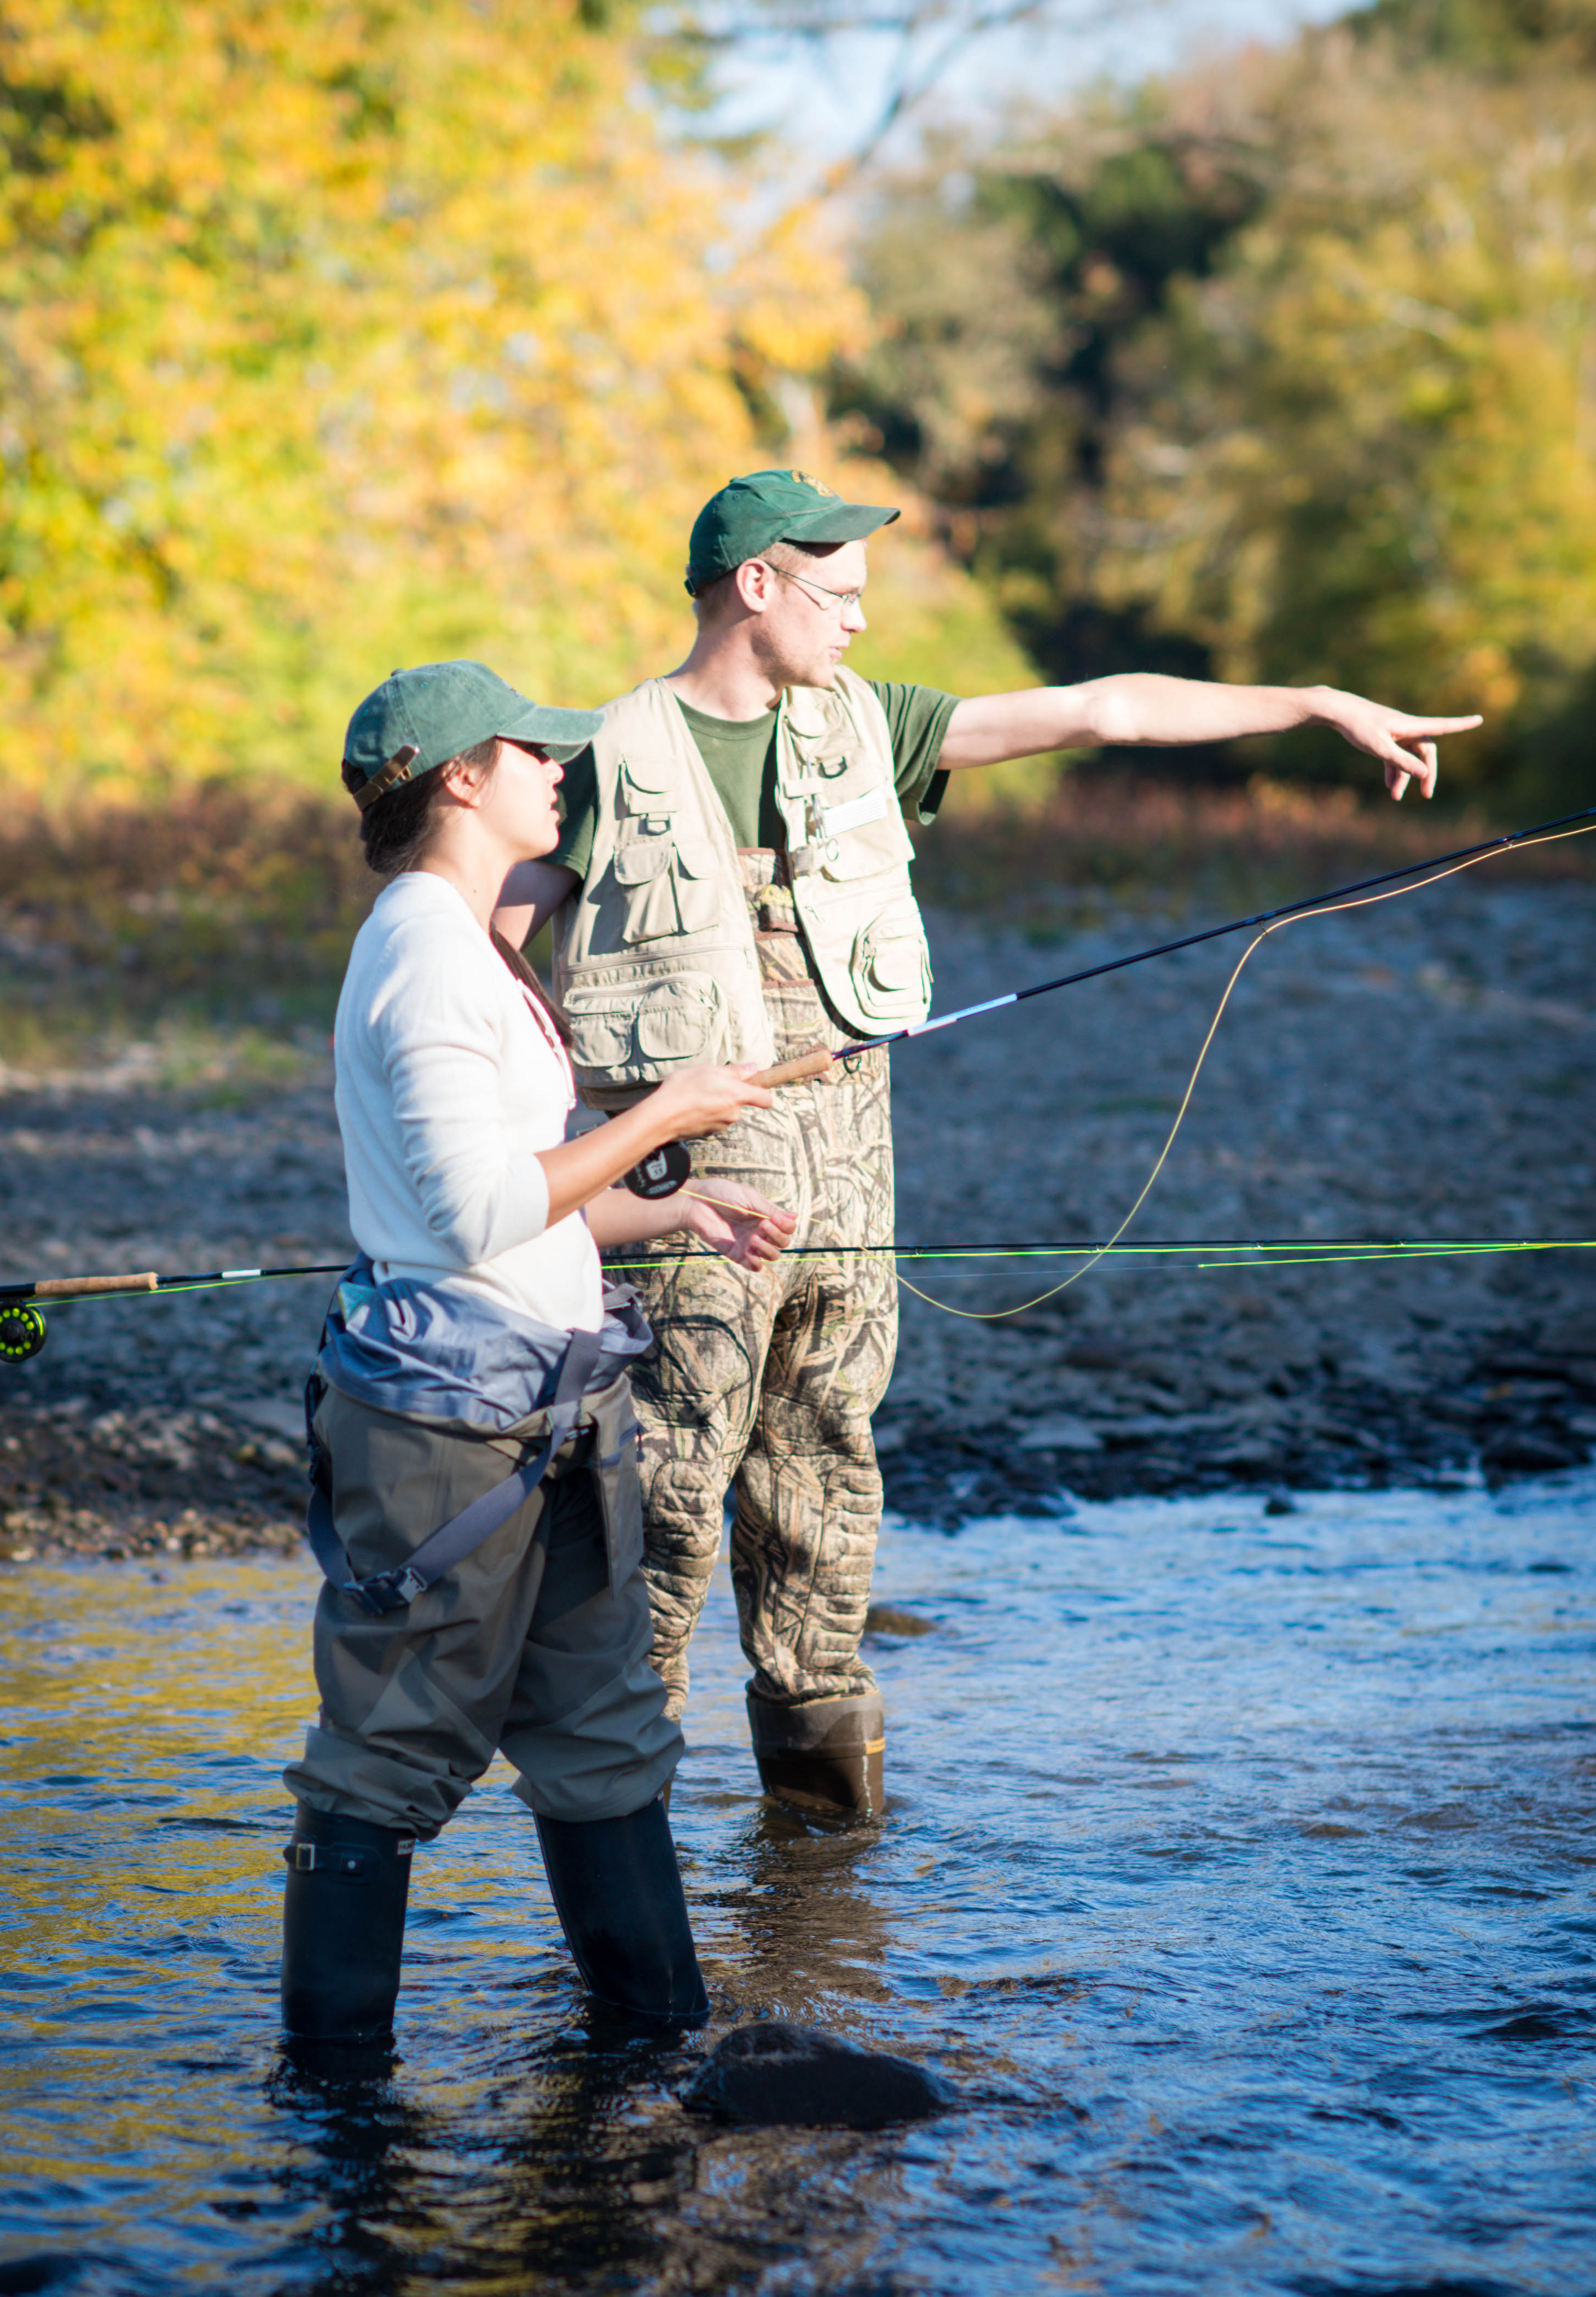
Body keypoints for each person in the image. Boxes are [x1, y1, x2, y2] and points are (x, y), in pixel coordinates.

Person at [492, 468, 1484, 1817]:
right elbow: (490, 928)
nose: (855, 623)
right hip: (688, 1194)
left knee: (825, 1465)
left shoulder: (874, 727)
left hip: (855, 1179)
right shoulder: (605, 757)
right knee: (671, 1482)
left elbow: (1104, 708)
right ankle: (616, 1833)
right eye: (834, 596)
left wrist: (1315, 702)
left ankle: (821, 1843)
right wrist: (521, 1126)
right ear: (755, 587)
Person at [279, 658, 791, 2049]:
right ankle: (338, 2115)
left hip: (554, 1403)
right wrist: (669, 1107)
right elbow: (476, 1209)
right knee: (386, 1754)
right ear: (459, 776)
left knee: (602, 1727)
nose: (560, 767)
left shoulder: (468, 939)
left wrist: (669, 1200)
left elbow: (523, 1193)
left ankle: (658, 2046)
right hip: (447, 1432)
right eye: (535, 750)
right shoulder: (425, 953)